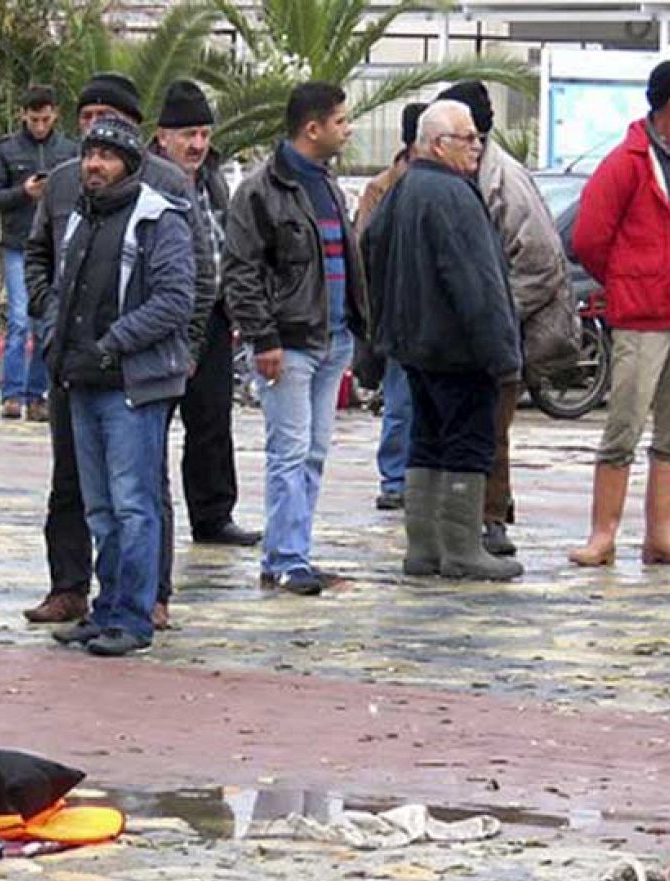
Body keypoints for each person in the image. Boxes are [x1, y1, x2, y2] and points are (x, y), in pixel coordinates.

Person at [20, 71, 213, 628]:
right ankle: (82, 594)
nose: (95, 152)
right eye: (88, 130)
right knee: (84, 490)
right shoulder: (69, 190)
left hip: (134, 374)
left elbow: (192, 283)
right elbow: (44, 260)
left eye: (108, 135)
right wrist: (53, 324)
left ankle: (144, 601)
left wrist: (178, 349)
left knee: (140, 494)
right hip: (75, 367)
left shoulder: (165, 195)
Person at [363, 100, 524, 581]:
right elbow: (476, 282)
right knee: (466, 445)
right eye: (467, 138)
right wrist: (503, 354)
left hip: (415, 347)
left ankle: (424, 549)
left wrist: (384, 334)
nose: (477, 146)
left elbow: (371, 252)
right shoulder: (453, 195)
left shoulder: (404, 188)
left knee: (427, 442)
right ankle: (461, 549)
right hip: (459, 351)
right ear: (437, 144)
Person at [221, 81, 367, 596]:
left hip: (332, 338)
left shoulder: (325, 185)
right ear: (312, 128)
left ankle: (292, 550)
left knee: (314, 451)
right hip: (289, 343)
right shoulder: (260, 191)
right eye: (340, 121)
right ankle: (285, 558)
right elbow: (241, 271)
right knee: (289, 450)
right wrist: (263, 339)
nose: (348, 130)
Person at [436, 80, 580, 558]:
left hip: (500, 330)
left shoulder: (503, 180)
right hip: (472, 329)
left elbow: (540, 263)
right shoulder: (462, 174)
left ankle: (492, 519)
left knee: (491, 428)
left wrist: (491, 316)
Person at [569, 58, 670, 567]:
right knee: (624, 425)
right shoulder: (626, 161)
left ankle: (661, 534)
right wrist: (628, 282)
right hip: (643, 316)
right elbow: (588, 239)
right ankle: (603, 534)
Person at [150, 79, 262, 548]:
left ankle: (214, 514)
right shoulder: (148, 178)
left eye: (203, 134)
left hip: (214, 315)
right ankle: (150, 513)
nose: (197, 144)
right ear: (163, 137)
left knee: (213, 419)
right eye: (187, 135)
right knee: (152, 422)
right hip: (164, 318)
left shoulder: (214, 178)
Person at [0, 85, 78, 422]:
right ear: (23, 115)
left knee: (45, 320)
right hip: (19, 244)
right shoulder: (7, 150)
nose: (40, 125)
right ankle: (11, 394)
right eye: (34, 119)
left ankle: (36, 395)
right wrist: (24, 192)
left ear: (55, 115)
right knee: (19, 320)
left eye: (45, 119)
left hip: (55, 246)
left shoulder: (70, 151)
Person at [355, 102, 427, 513]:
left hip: (434, 316)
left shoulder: (451, 182)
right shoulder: (382, 188)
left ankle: (421, 477)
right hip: (397, 312)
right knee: (400, 403)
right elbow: (364, 250)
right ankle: (395, 479)